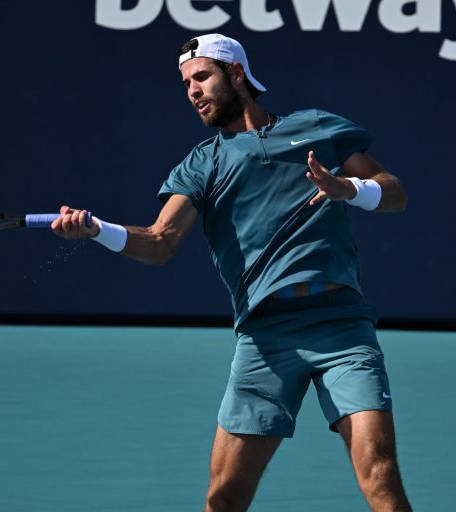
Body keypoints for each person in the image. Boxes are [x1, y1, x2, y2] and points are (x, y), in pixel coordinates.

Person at [51, 33, 412, 512]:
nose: (192, 91)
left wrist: (351, 189)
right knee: (224, 499)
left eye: (201, 77)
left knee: (380, 474)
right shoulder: (202, 164)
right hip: (265, 339)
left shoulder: (316, 127)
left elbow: (394, 193)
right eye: (186, 84)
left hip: (343, 328)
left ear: (236, 74)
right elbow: (159, 243)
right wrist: (97, 230)